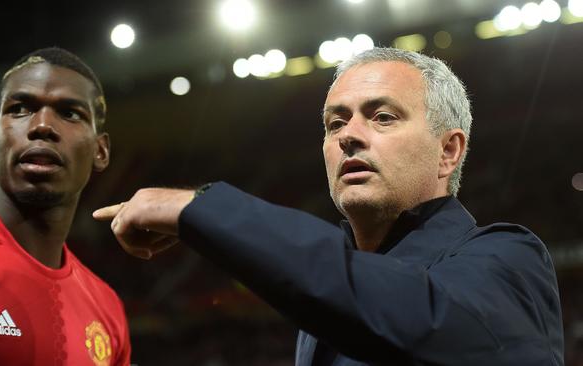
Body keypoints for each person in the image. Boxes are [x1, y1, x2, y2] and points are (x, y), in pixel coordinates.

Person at [94, 47, 563, 365]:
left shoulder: (511, 260)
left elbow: (411, 312)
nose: (349, 135)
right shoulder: (330, 295)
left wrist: (201, 210)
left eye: (382, 117)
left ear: (448, 151)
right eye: (335, 122)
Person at [0, 47, 131, 365]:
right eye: (20, 108)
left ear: (100, 151)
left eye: (69, 113)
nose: (42, 126)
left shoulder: (107, 310)